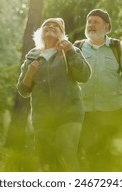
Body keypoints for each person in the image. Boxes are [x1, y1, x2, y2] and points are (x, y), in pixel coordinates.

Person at [17, 17, 91, 171]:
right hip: (43, 116)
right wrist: (30, 72)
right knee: (46, 161)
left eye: (55, 26)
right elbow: (23, 90)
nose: (50, 27)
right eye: (46, 25)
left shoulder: (71, 50)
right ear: (40, 33)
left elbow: (84, 75)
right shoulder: (32, 55)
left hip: (69, 113)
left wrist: (70, 51)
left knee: (66, 155)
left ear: (62, 34)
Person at [76, 9, 122, 170]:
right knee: (82, 156)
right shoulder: (77, 48)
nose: (91, 25)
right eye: (89, 21)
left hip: (111, 111)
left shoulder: (117, 47)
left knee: (108, 157)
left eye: (96, 22)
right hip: (82, 112)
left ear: (107, 27)